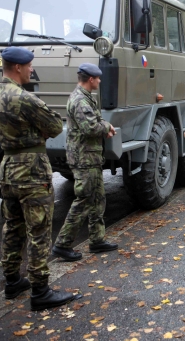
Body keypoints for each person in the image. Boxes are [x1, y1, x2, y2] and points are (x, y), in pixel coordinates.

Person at [0, 47, 75, 311]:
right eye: (29, 66)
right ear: (17, 67)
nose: (31, 70)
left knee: (12, 226)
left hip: (8, 169)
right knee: (39, 229)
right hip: (31, 172)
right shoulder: (24, 98)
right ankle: (40, 291)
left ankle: (12, 280)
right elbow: (55, 126)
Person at [52, 63, 117, 261]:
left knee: (98, 198)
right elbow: (90, 128)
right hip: (84, 159)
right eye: (97, 78)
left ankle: (97, 240)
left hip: (91, 157)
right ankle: (62, 244)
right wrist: (106, 126)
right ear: (90, 79)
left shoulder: (86, 98)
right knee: (84, 200)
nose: (99, 81)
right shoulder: (80, 100)